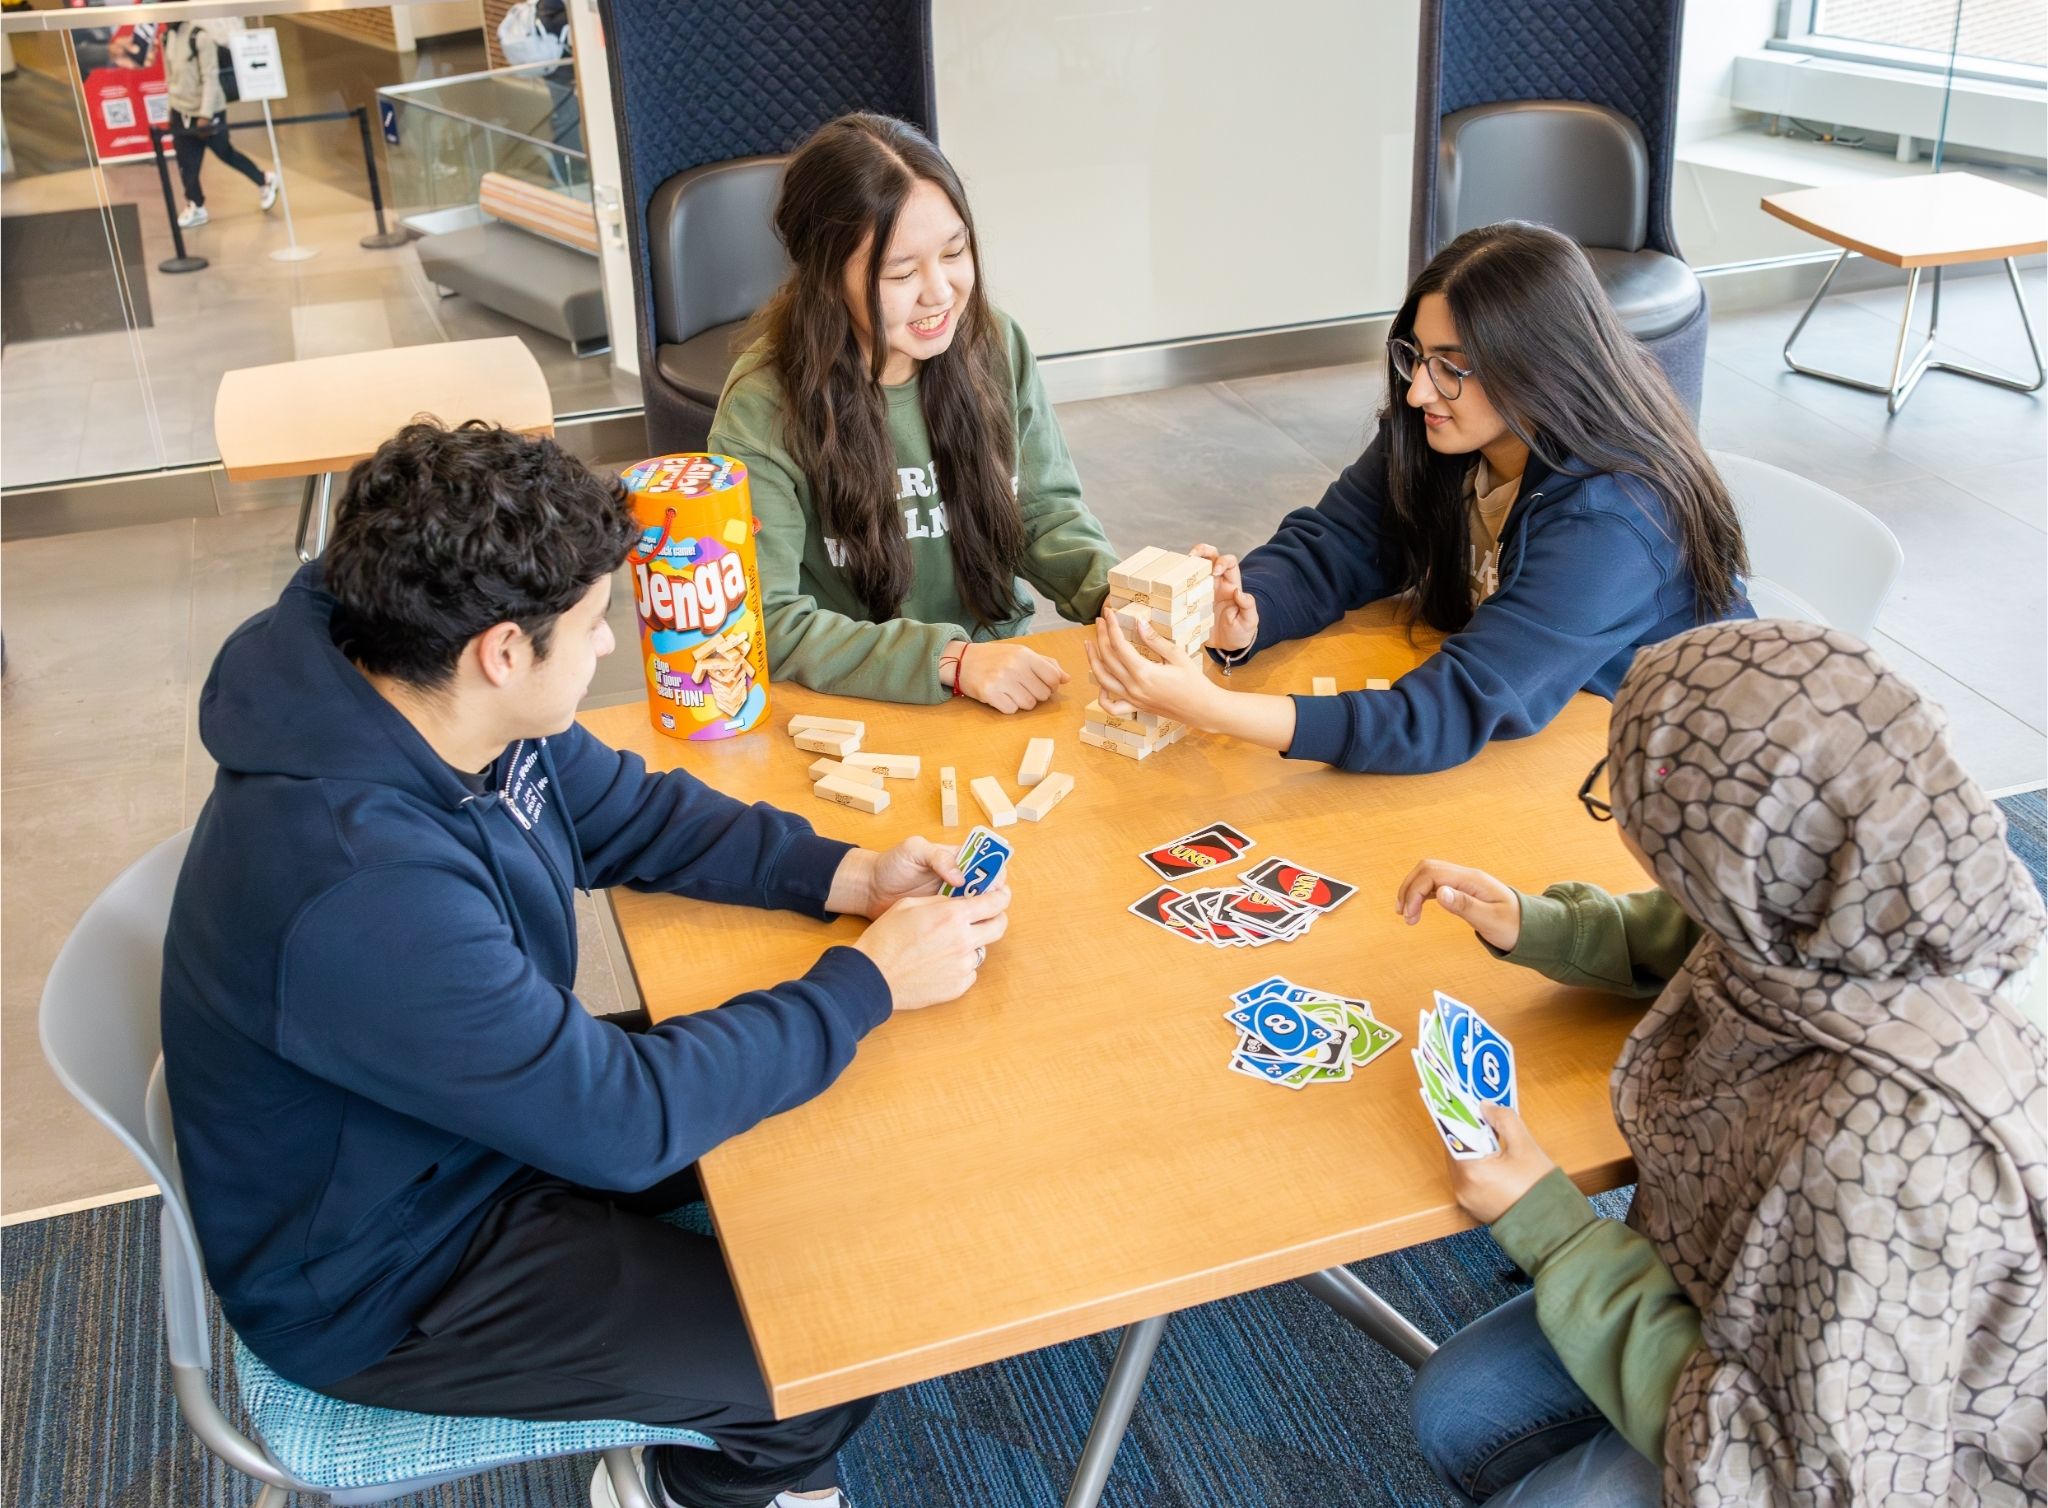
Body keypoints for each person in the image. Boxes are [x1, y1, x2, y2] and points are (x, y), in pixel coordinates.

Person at [161, 421, 1012, 1508]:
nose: (608, 645)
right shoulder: (359, 887)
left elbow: (629, 812)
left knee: (843, 1140)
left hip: (457, 1115)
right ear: (502, 653)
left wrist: (845, 875)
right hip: (383, 1271)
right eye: (592, 627)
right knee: (829, 1353)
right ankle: (678, 1487)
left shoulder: (415, 672)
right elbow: (617, 1123)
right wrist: (869, 981)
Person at [1393, 618, 2045, 1506]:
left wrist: (1551, 1228)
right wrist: (1542, 922)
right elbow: (1699, 934)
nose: (1626, 826)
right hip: (1739, 1298)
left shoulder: (1882, 1150)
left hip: (1843, 1450)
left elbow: (1783, 1474)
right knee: (1456, 1407)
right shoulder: (1854, 884)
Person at [1085, 221, 1752, 776]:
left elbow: (1452, 708)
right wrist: (1249, 614)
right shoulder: (1441, 432)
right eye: (1417, 357)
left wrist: (1214, 709)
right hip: (1541, 731)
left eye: (1452, 367)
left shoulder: (1613, 515)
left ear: (1542, 364)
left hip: (1666, 773)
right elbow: (1335, 545)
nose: (1418, 392)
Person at [709, 113, 1118, 711]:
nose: (940, 292)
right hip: (856, 699)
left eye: (955, 253)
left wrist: (1127, 600)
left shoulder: (995, 344)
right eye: (901, 272)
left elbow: (1043, 512)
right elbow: (766, 619)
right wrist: (952, 662)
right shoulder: (763, 407)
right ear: (827, 278)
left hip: (1000, 677)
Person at [154, 18, 277, 230]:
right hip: (180, 111)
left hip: (208, 110)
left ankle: (264, 180)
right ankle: (196, 204)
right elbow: (170, 77)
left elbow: (210, 78)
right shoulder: (167, 37)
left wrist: (205, 114)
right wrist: (170, 110)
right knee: (186, 163)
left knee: (224, 152)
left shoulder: (200, 37)